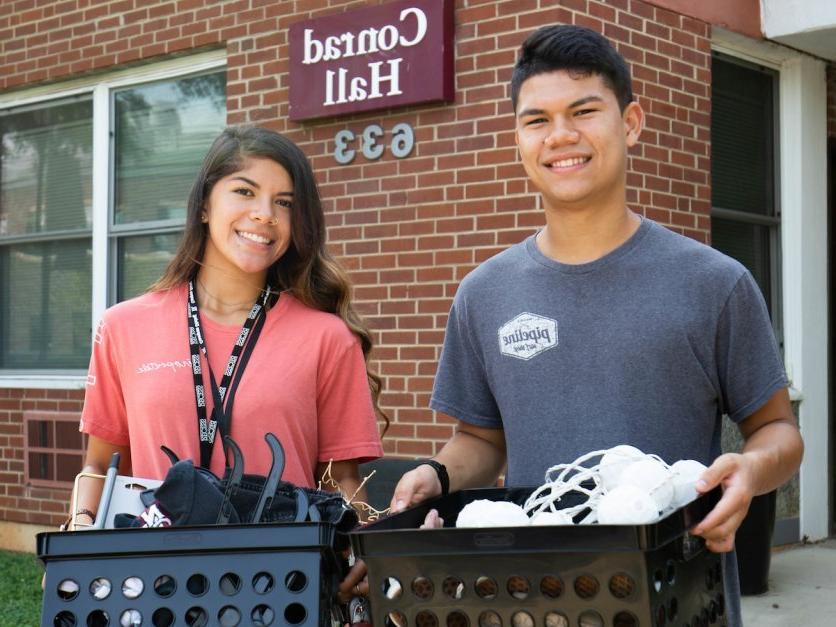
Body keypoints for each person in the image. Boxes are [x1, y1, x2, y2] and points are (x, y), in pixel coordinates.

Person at [390, 25, 803, 626]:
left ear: (631, 122)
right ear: (518, 138)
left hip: (679, 597)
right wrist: (437, 474)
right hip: (532, 602)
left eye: (584, 111)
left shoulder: (716, 283)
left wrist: (751, 470)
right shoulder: (484, 294)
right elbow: (482, 440)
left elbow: (778, 433)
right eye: (538, 120)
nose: (561, 136)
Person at [69, 125, 384, 601]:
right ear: (203, 205)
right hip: (151, 586)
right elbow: (100, 465)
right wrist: (76, 538)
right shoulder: (123, 327)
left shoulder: (326, 337)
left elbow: (339, 479)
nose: (265, 214)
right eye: (245, 191)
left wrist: (362, 552)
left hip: (280, 589)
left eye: (285, 202)